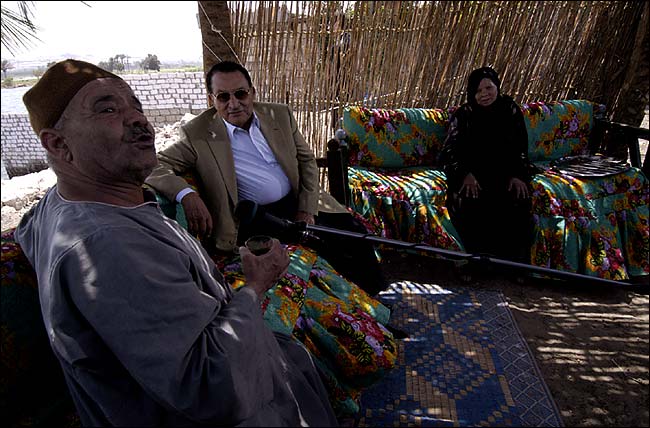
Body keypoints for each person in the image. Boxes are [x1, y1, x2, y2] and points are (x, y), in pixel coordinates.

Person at [15, 59, 338, 427]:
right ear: (58, 144)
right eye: (107, 109)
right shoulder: (108, 248)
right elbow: (210, 387)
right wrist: (255, 286)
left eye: (136, 106)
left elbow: (26, 227)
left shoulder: (62, 206)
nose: (137, 119)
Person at [145, 60, 387, 296]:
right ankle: (355, 319)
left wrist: (306, 208)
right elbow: (154, 165)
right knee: (324, 249)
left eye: (240, 94)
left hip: (299, 200)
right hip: (259, 218)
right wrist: (187, 194)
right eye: (223, 97)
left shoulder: (278, 115)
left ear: (252, 92)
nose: (233, 104)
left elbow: (306, 161)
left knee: (355, 235)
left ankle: (379, 311)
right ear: (212, 100)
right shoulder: (197, 133)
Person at [439, 66, 536, 263]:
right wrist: (464, 174)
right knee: (469, 200)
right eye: (479, 91)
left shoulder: (509, 110)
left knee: (518, 197)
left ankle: (514, 265)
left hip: (506, 173)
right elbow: (449, 152)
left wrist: (518, 175)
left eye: (489, 88)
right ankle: (478, 263)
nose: (485, 94)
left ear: (497, 87)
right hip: (473, 175)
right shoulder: (464, 115)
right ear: (471, 93)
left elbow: (520, 147)